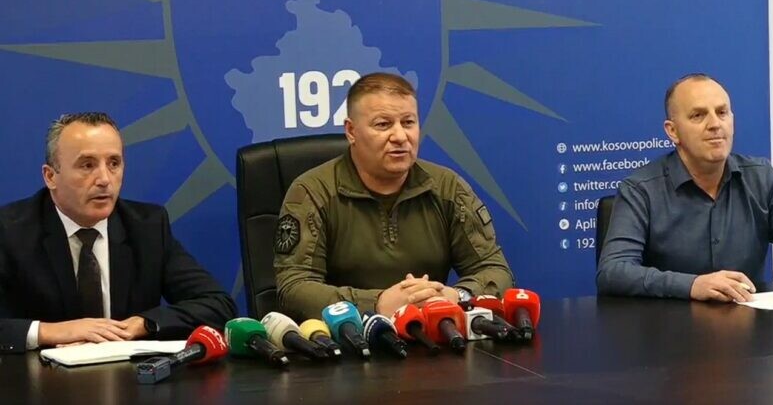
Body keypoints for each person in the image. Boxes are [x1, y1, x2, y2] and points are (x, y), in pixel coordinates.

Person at [274, 73, 515, 320]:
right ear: (351, 131)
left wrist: (457, 296)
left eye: (408, 122)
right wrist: (376, 304)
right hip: (346, 337)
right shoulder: (313, 192)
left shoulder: (448, 188)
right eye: (383, 124)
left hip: (433, 333)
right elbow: (294, 288)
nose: (400, 136)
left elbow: (494, 269)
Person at [0, 112, 236, 353]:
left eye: (114, 163)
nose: (104, 179)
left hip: (130, 374)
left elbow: (218, 305)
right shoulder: (10, 231)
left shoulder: (147, 227)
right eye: (87, 165)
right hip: (40, 375)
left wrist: (143, 324)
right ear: (50, 176)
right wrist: (49, 332)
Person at [597, 73, 773, 302]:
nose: (715, 124)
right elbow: (613, 271)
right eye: (698, 115)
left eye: (722, 112)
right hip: (668, 321)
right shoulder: (641, 190)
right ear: (672, 131)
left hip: (747, 318)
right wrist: (691, 285)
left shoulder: (761, 177)